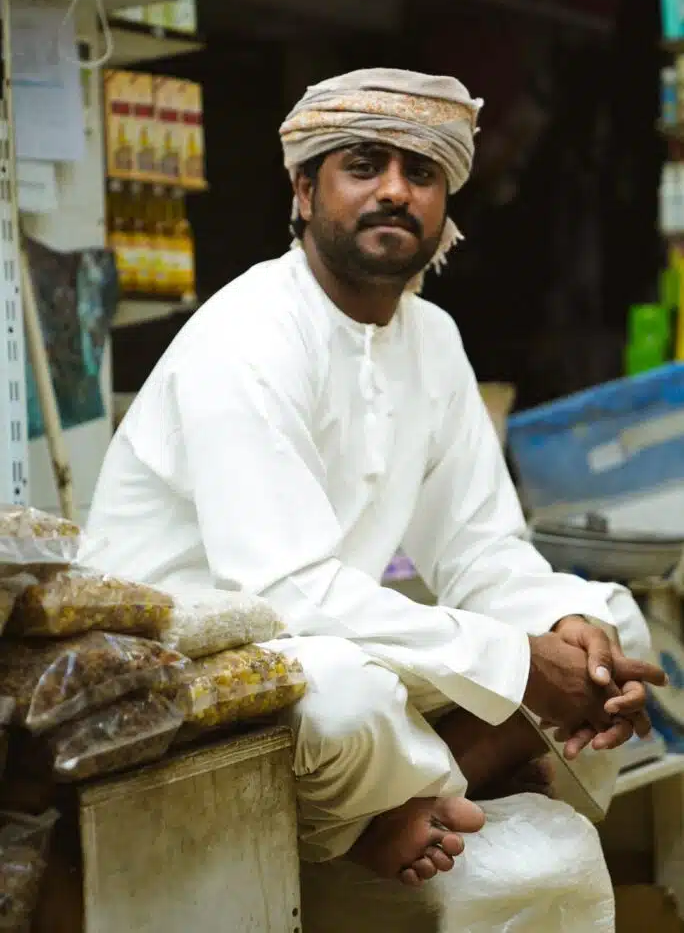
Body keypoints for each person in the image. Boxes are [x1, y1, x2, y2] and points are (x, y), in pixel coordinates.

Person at [84, 68, 663, 892]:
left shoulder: (432, 337)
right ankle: (412, 798)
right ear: (303, 188)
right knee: (347, 693)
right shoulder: (247, 333)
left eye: (420, 172)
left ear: (445, 202)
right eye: (363, 164)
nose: (395, 190)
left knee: (612, 625)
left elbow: (480, 545)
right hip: (200, 653)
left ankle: (428, 789)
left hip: (320, 628)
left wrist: (562, 631)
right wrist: (518, 664)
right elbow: (280, 590)